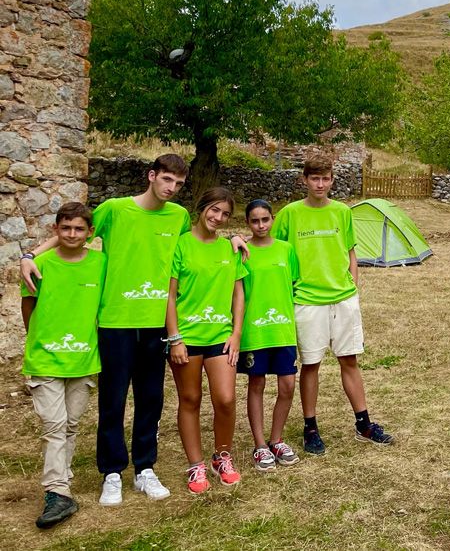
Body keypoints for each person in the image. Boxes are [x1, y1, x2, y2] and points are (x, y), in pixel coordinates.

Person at [20, 154, 201, 506]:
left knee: (151, 399)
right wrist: (30, 253)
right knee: (113, 400)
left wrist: (234, 240)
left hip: (155, 322)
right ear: (152, 176)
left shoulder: (178, 217)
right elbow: (74, 230)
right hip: (114, 321)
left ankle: (145, 468)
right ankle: (113, 472)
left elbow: (192, 248)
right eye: (167, 180)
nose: (172, 189)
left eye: (178, 184)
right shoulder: (115, 209)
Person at [273, 155, 393, 453]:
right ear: (304, 180)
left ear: (332, 180)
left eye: (325, 178)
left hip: (343, 298)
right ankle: (310, 427)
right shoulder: (289, 214)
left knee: (349, 360)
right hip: (307, 300)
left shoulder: (342, 212)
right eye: (315, 178)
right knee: (311, 364)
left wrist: (353, 286)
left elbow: (350, 252)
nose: (320, 184)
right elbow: (273, 251)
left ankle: (363, 423)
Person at [19, 203, 106, 528]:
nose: (72, 234)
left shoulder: (100, 264)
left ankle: (63, 478)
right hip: (46, 359)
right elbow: (29, 307)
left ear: (89, 233)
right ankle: (57, 492)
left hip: (83, 360)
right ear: (56, 230)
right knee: (54, 426)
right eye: (65, 228)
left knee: (70, 424)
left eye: (78, 229)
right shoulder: (38, 266)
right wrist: (40, 341)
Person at [166, 187, 247, 493]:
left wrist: (236, 333)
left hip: (220, 336)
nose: (218, 217)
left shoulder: (229, 248)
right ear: (201, 208)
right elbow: (169, 295)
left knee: (225, 399)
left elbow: (239, 293)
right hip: (186, 337)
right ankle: (196, 464)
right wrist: (175, 338)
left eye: (225, 214)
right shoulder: (181, 245)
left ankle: (221, 457)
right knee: (190, 399)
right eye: (214, 210)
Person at [239, 200, 301, 471]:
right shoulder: (243, 252)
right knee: (257, 384)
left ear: (272, 219)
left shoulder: (287, 250)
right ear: (247, 223)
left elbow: (292, 285)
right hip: (255, 332)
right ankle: (260, 444)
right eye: (255, 221)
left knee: (287, 386)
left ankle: (277, 439)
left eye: (265, 219)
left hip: (283, 331)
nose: (261, 225)